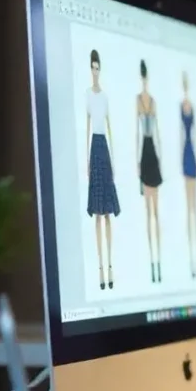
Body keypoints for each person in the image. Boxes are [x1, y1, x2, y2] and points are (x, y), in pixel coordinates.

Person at [85, 48, 120, 290]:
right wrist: (86, 161)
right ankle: (100, 267)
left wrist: (114, 160)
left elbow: (109, 129)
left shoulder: (105, 97)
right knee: (98, 214)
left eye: (98, 68)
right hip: (94, 147)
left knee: (107, 213)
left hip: (104, 149)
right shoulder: (88, 94)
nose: (95, 71)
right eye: (93, 67)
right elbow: (88, 127)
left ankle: (110, 267)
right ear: (90, 69)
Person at [136, 59, 163, 283]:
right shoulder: (138, 100)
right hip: (145, 153)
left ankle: (159, 262)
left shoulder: (152, 101)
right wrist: (137, 165)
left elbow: (158, 132)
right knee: (148, 213)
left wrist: (160, 160)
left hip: (152, 152)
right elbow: (138, 134)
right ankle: (152, 263)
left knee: (156, 212)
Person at [180, 71, 196, 279]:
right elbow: (182, 135)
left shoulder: (191, 107)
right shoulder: (181, 106)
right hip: (186, 155)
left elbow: (194, 134)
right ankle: (192, 261)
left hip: (192, 154)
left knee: (195, 209)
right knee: (189, 209)